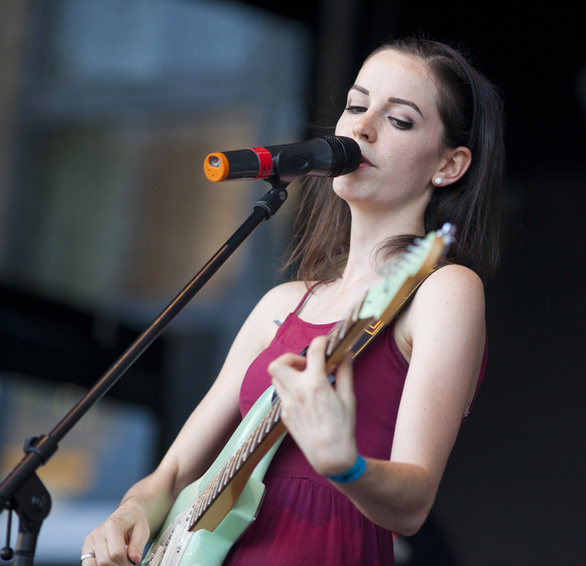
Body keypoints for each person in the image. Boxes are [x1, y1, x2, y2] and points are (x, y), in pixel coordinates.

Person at [81, 36, 505, 565]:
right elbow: (172, 473)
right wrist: (132, 511)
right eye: (355, 106)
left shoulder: (443, 290)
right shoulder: (282, 305)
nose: (361, 127)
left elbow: (413, 504)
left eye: (398, 120)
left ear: (449, 166)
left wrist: (344, 464)